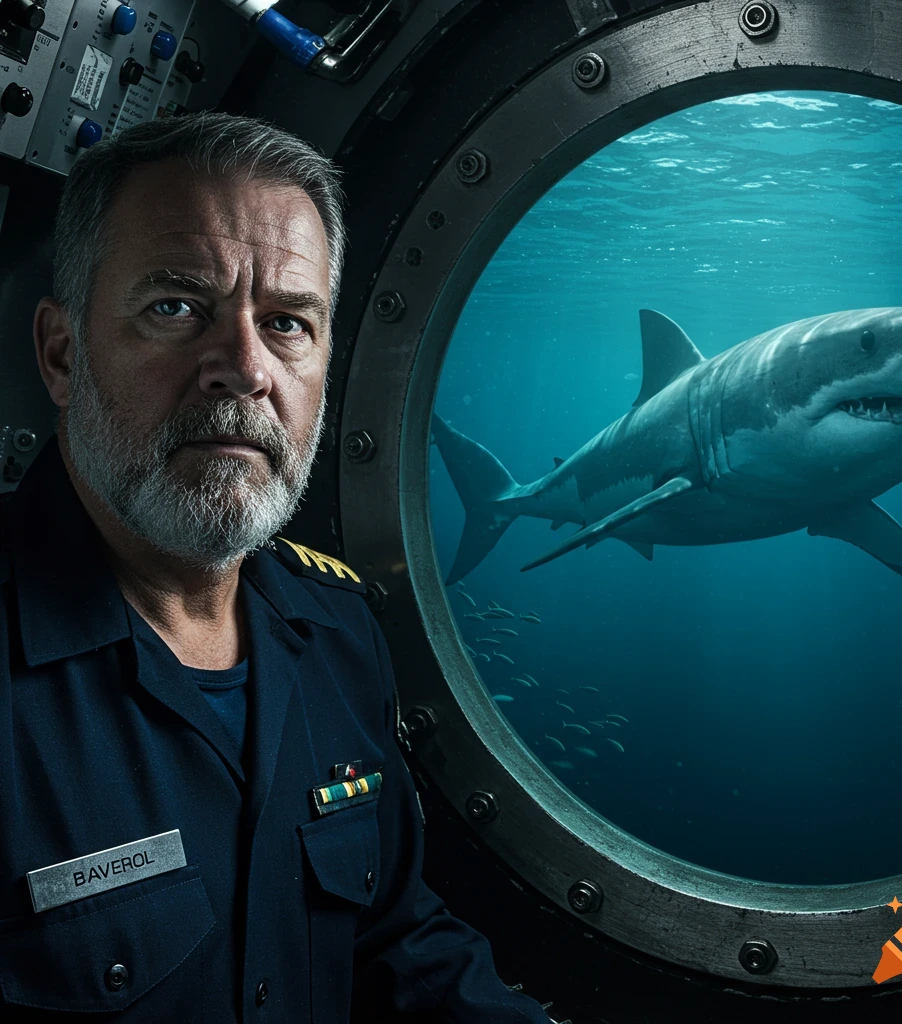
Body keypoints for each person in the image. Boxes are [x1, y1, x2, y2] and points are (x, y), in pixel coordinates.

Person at [0, 111, 554, 1023]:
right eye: (177, 308)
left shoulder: (339, 634)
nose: (245, 369)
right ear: (63, 355)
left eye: (288, 322)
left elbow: (393, 939)